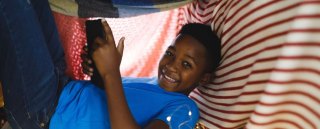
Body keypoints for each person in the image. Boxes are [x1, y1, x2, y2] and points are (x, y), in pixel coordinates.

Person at [0, 0, 220, 129]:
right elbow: (106, 98)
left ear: (204, 78)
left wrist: (111, 73)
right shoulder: (150, 83)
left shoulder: (185, 110)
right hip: (62, 85)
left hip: (46, 113)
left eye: (186, 64)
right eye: (171, 53)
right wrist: (97, 70)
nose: (172, 66)